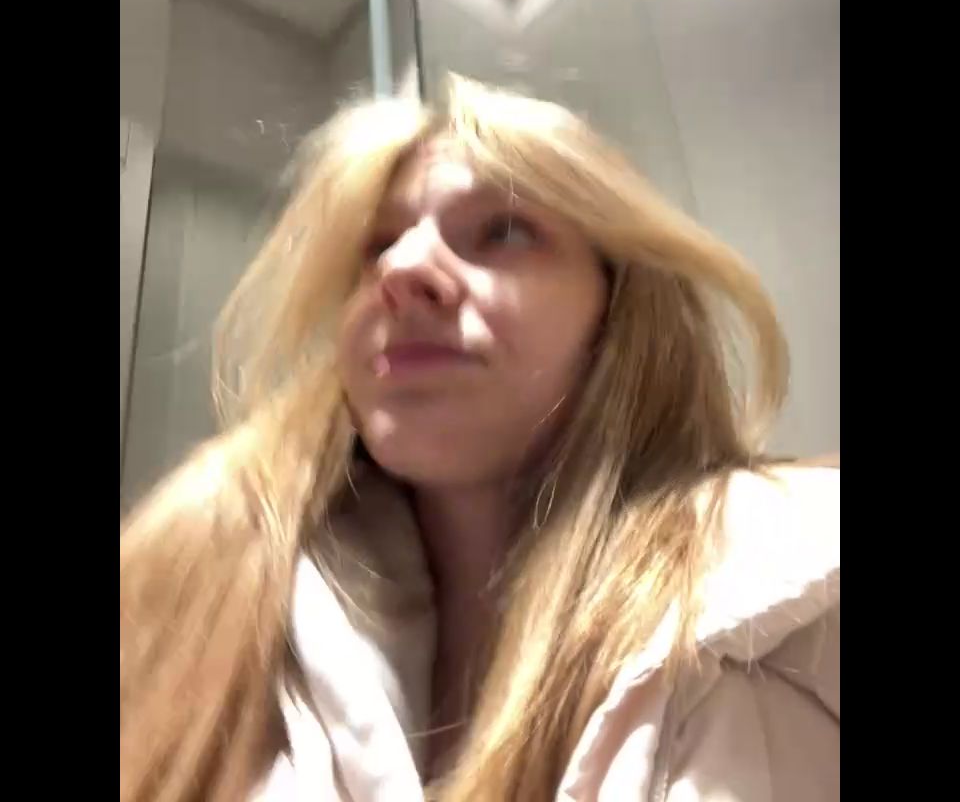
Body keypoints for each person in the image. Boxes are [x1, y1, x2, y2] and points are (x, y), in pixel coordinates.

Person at [119, 76, 839, 802]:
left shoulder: (794, 595)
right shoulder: (204, 581)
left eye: (504, 230)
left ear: (620, 307)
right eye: (378, 244)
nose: (400, 269)